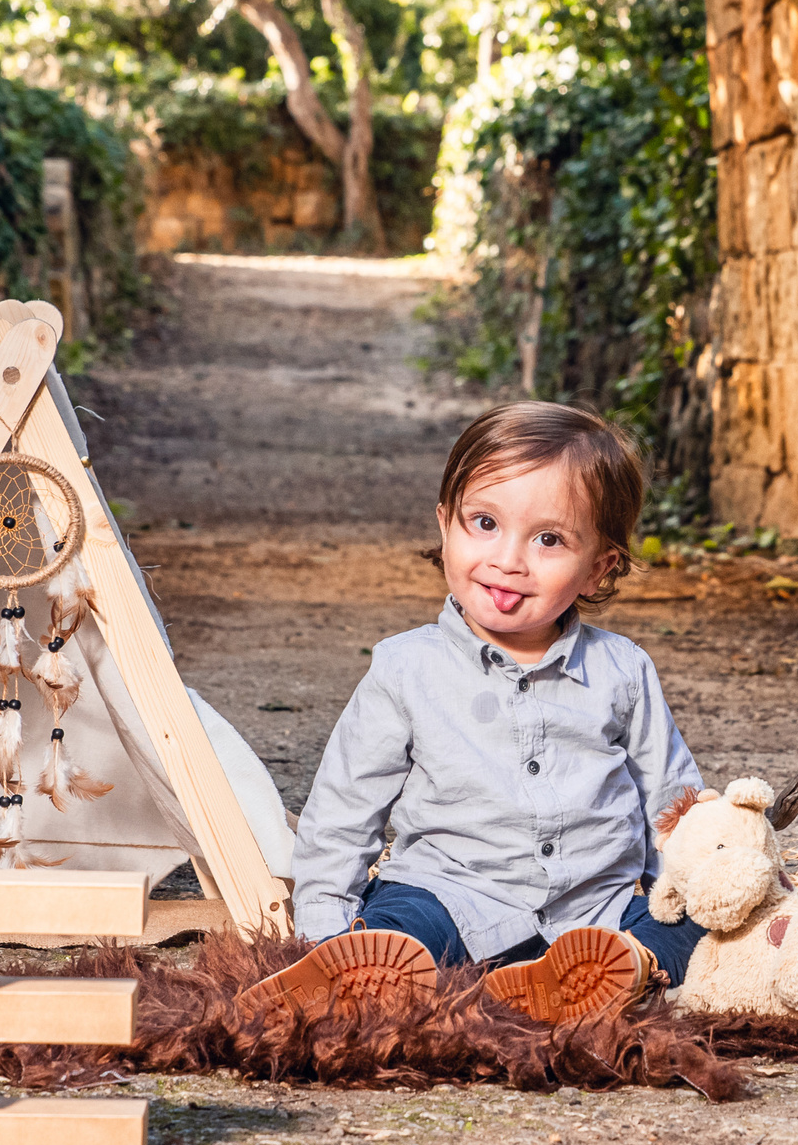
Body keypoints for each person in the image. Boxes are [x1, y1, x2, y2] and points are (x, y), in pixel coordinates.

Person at [243, 402, 706, 1023]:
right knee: (401, 926)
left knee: (694, 924)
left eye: (548, 539)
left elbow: (672, 802)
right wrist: (323, 925)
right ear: (445, 526)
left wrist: (691, 883)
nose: (508, 559)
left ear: (599, 568)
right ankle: (356, 972)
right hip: (452, 894)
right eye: (484, 523)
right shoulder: (406, 668)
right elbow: (345, 809)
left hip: (597, 909)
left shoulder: (622, 670)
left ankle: (623, 968)